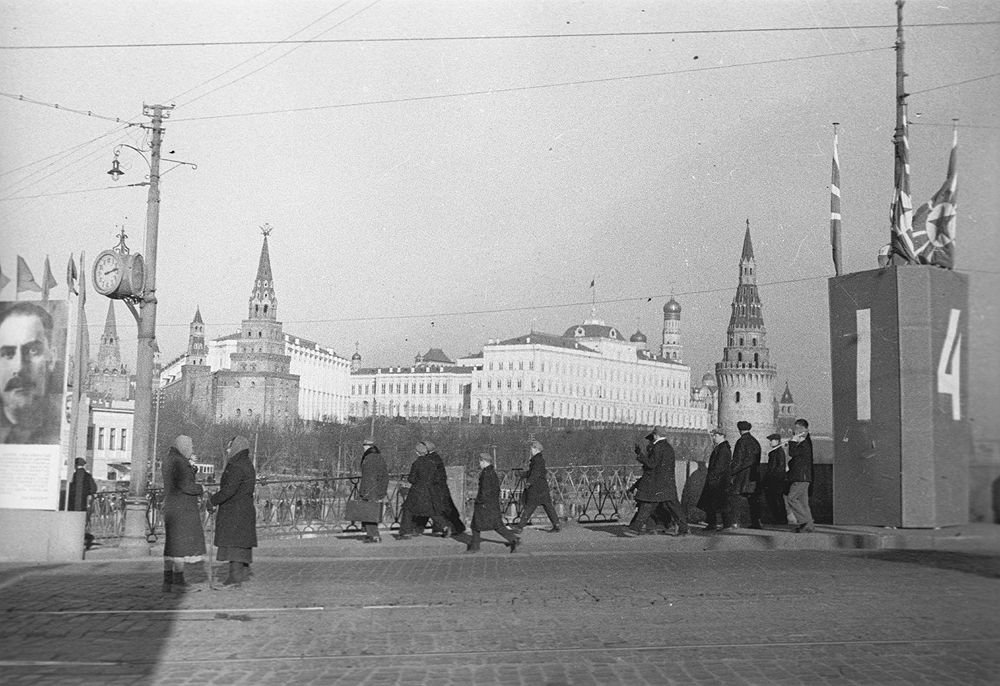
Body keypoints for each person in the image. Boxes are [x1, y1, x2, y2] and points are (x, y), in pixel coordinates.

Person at [0, 302, 61, 445]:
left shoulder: (57, 430)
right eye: (8, 353)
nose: (19, 367)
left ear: (51, 358)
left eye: (32, 351)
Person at [209, 436, 257, 587]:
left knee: (233, 545)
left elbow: (229, 489)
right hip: (244, 510)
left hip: (234, 511)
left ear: (237, 447)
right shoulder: (247, 463)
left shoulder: (235, 465)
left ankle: (235, 578)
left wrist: (213, 500)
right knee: (239, 545)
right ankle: (238, 576)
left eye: (230, 447)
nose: (227, 450)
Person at [623, 426, 688, 537]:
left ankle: (635, 529)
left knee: (647, 506)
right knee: (674, 507)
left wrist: (640, 455)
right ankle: (684, 529)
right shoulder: (668, 447)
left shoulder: (658, 447)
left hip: (655, 483)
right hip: (667, 483)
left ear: (655, 434)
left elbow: (651, 464)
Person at [162, 435, 206, 592]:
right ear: (184, 447)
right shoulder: (180, 462)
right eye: (191, 446)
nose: (192, 449)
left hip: (171, 507)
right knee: (179, 546)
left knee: (171, 545)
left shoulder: (169, 459)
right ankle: (178, 580)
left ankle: (168, 580)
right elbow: (186, 485)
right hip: (182, 509)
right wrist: (201, 488)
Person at [467, 453, 520, 553]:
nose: (479, 463)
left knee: (475, 525)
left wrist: (479, 501)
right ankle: (514, 539)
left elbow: (485, 491)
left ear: (484, 461)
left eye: (480, 461)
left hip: (484, 505)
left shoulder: (486, 473)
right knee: (497, 525)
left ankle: (475, 547)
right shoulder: (491, 472)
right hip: (492, 504)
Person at [398, 441, 450, 539]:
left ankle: (405, 532)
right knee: (430, 510)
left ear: (418, 452)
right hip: (430, 490)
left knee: (407, 509)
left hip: (417, 490)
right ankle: (445, 526)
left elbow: (411, 479)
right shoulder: (432, 462)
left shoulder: (417, 463)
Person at [512, 440, 560, 533]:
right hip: (542, 487)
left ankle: (520, 527)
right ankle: (556, 524)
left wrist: (529, 482)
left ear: (536, 449)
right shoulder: (539, 460)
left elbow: (535, 473)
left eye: (532, 449)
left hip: (536, 488)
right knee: (548, 506)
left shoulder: (537, 460)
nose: (531, 451)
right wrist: (523, 474)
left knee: (529, 507)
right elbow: (533, 472)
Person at [426, 441, 466, 536]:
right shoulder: (436, 457)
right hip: (442, 488)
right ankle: (458, 527)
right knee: (448, 509)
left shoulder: (430, 459)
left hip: (436, 489)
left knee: (434, 509)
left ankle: (448, 527)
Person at [728, 420, 762, 529]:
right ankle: (756, 522)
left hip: (743, 476)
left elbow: (738, 460)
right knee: (753, 501)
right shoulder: (755, 442)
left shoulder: (741, 441)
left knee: (735, 498)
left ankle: (735, 522)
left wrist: (731, 472)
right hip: (754, 476)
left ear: (739, 430)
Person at [697, 428, 732, 531]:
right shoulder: (721, 447)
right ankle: (714, 523)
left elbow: (720, 466)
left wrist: (712, 477)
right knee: (715, 503)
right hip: (718, 480)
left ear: (722, 436)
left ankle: (724, 524)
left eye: (716, 436)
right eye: (713, 435)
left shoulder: (723, 449)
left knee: (721, 504)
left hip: (718, 481)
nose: (713, 438)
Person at [786, 418, 815, 533]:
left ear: (802, 428)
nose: (795, 431)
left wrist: (793, 441)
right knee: (803, 502)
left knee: (791, 498)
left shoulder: (803, 442)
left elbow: (792, 453)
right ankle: (808, 526)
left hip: (800, 476)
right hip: (805, 477)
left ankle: (805, 522)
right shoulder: (806, 441)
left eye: (796, 428)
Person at [358, 437, 388, 543]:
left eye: (364, 446)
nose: (363, 448)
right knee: (369, 512)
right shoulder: (379, 457)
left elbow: (368, 477)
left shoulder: (369, 458)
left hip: (370, 489)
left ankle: (374, 535)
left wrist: (365, 491)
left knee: (369, 512)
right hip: (376, 489)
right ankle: (370, 533)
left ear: (367, 446)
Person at [762, 433, 788, 525]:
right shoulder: (779, 452)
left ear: (777, 441)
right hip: (778, 480)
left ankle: (779, 519)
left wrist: (770, 478)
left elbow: (775, 468)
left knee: (775, 500)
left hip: (774, 480)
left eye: (771, 440)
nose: (770, 442)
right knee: (778, 500)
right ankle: (781, 519)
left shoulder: (776, 452)